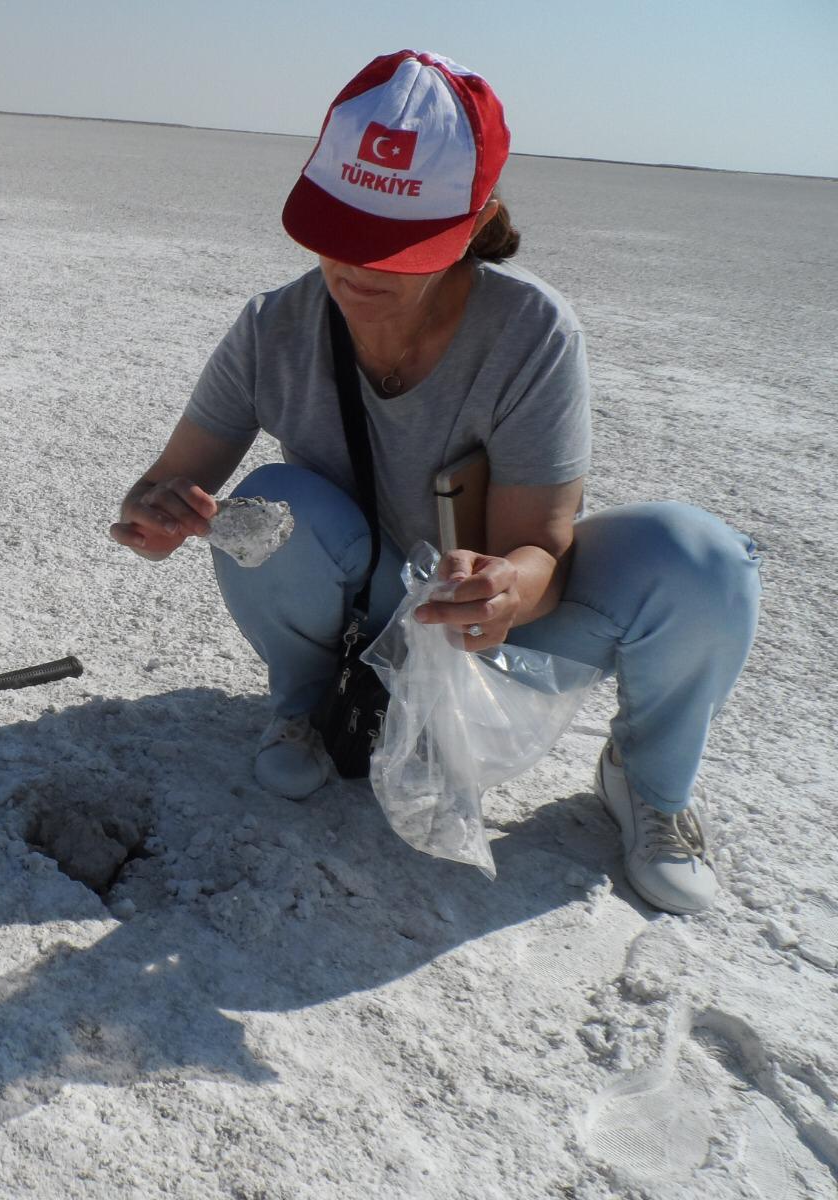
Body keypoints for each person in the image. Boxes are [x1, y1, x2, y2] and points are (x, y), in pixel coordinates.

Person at [108, 50, 760, 915]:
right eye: (340, 229)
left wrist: (504, 588)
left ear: (474, 222)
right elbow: (168, 484)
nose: (356, 266)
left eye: (395, 244)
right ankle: (308, 707)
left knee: (702, 561)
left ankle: (647, 784)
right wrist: (153, 517)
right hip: (371, 600)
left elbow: (542, 550)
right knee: (271, 506)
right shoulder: (275, 327)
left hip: (483, 622)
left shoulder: (530, 331)